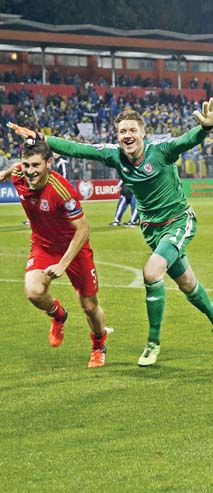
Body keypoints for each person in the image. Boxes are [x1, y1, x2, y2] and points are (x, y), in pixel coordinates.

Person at [9, 97, 213, 367]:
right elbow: (78, 149)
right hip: (151, 229)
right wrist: (42, 139)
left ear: (143, 133)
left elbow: (185, 141)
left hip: (177, 221)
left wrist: (205, 129)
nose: (127, 135)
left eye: (132, 130)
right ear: (118, 135)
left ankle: (152, 344)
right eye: (122, 131)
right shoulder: (114, 155)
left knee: (152, 272)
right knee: (187, 284)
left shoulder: (160, 151)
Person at [0, 139, 110, 368]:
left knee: (89, 305)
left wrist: (62, 264)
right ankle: (58, 315)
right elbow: (16, 169)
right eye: (27, 165)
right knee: (34, 292)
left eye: (36, 166)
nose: (30, 172)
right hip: (43, 245)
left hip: (74, 248)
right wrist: (5, 172)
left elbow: (83, 229)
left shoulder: (61, 190)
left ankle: (99, 344)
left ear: (49, 163)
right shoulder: (20, 174)